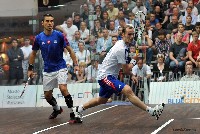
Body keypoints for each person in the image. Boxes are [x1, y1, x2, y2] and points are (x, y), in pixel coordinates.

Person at [72, 25, 165, 123]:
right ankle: (152, 111)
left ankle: (78, 109)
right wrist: (135, 60)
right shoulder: (120, 48)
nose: (132, 36)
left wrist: (132, 73)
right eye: (129, 34)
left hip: (108, 76)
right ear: (123, 34)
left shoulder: (122, 43)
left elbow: (128, 62)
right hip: (105, 76)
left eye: (132, 34)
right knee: (128, 90)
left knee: (101, 100)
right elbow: (125, 70)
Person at [28, 14, 79, 123]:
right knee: (47, 96)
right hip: (47, 70)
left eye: (52, 21)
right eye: (47, 21)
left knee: (63, 88)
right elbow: (33, 54)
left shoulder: (60, 35)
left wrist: (76, 64)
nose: (50, 23)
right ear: (43, 23)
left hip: (60, 66)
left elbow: (70, 50)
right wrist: (30, 68)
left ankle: (73, 113)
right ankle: (57, 109)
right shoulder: (38, 38)